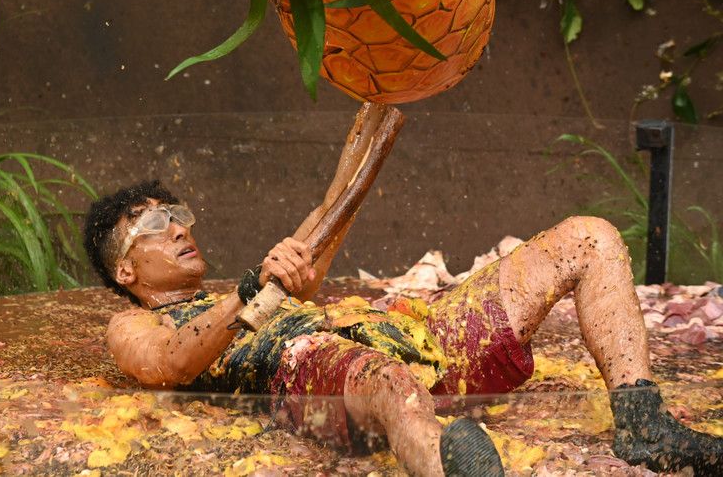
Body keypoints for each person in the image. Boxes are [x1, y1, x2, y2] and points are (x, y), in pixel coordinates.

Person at [83, 104, 723, 476]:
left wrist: (381, 96)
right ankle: (448, 465)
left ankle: (642, 423)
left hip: (411, 333)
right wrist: (253, 290)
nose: (178, 228)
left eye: (177, 215)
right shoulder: (134, 324)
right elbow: (170, 364)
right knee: (389, 381)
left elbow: (333, 206)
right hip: (317, 371)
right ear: (125, 272)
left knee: (588, 236)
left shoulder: (261, 285)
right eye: (153, 225)